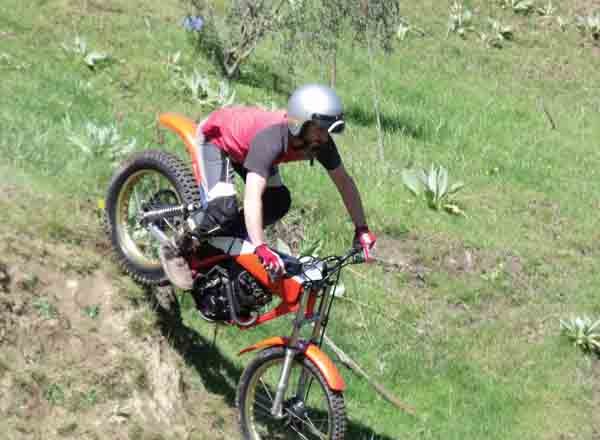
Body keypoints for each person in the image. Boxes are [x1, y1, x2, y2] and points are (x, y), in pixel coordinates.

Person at [160, 83, 376, 289]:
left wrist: (361, 229)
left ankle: (218, 246)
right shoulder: (271, 140)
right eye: (320, 129)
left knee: (278, 202)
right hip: (217, 140)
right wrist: (261, 247)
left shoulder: (320, 143)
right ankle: (175, 246)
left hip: (248, 148)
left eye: (327, 131)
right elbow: (252, 196)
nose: (325, 136)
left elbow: (344, 183)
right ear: (300, 122)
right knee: (222, 211)